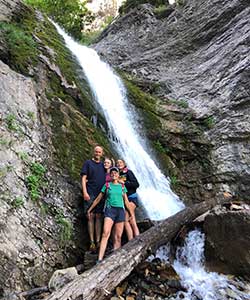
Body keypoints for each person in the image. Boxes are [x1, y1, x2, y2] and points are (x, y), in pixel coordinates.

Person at [87, 167, 133, 262]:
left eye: (115, 173)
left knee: (118, 237)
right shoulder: (107, 185)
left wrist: (131, 214)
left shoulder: (122, 187)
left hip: (120, 211)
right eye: (112, 173)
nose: (114, 174)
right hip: (110, 209)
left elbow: (126, 201)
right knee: (105, 233)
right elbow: (98, 198)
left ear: (118, 175)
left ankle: (115, 260)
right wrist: (90, 209)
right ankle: (100, 259)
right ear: (110, 175)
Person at [81, 146, 106, 252]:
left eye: (99, 152)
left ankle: (98, 241)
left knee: (99, 217)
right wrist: (85, 192)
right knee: (90, 216)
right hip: (90, 192)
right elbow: (83, 178)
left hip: (101, 194)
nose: (97, 153)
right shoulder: (88, 163)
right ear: (93, 152)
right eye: (96, 151)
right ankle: (92, 242)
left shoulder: (103, 165)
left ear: (102, 153)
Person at [116, 159, 140, 240]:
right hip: (123, 199)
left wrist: (124, 183)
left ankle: (131, 241)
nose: (119, 164)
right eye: (117, 163)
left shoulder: (128, 172)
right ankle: (137, 238)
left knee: (126, 220)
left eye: (120, 162)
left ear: (124, 164)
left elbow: (136, 184)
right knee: (132, 220)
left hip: (131, 198)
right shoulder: (117, 174)